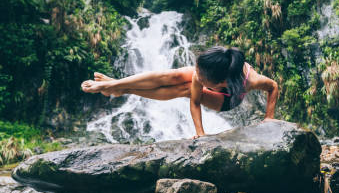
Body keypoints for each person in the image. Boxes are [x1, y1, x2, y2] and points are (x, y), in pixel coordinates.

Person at [81, 46, 280, 139]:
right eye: (197, 70)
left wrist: (269, 118)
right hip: (217, 87)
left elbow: (273, 87)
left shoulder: (251, 81)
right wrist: (200, 133)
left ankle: (118, 87)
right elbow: (194, 101)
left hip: (228, 101)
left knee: (185, 89)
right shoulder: (205, 70)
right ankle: (116, 85)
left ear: (220, 81)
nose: (196, 76)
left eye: (202, 78)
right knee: (176, 75)